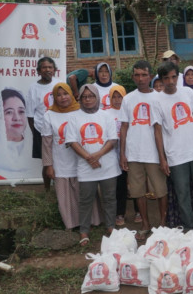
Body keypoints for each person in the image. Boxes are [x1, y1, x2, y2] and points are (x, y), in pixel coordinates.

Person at [154, 62, 193, 230]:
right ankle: (189, 228)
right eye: (166, 78)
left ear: (178, 77)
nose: (171, 81)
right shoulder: (157, 100)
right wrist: (162, 159)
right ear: (161, 80)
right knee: (182, 193)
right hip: (175, 155)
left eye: (173, 77)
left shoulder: (187, 92)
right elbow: (157, 131)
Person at [65, 84, 120, 246]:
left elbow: (112, 140)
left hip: (107, 166)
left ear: (97, 98)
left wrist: (96, 156)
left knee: (110, 198)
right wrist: (89, 158)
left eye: (91, 96)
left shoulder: (107, 116)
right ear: (80, 99)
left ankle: (110, 227)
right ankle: (84, 231)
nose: (88, 100)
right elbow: (72, 142)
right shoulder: (74, 118)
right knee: (85, 199)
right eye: (84, 97)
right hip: (85, 167)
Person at [119, 61, 168, 240]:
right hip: (134, 153)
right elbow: (124, 127)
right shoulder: (128, 99)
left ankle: (163, 223)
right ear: (133, 77)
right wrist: (122, 153)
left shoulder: (159, 97)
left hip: (154, 153)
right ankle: (145, 224)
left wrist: (163, 156)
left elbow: (161, 129)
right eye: (137, 75)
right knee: (138, 191)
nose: (140, 79)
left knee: (161, 190)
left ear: (150, 76)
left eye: (144, 75)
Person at [42, 82, 100, 230]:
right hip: (60, 161)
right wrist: (48, 165)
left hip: (81, 160)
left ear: (71, 95)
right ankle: (72, 224)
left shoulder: (80, 112)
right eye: (59, 95)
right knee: (65, 197)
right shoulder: (49, 115)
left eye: (65, 93)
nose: (63, 98)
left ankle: (92, 221)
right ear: (54, 98)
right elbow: (47, 143)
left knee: (86, 192)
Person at [26, 56, 57, 191]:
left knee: (60, 159)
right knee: (46, 162)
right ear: (38, 71)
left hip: (58, 129)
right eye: (44, 67)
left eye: (50, 67)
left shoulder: (59, 84)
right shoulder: (33, 88)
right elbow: (30, 115)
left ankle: (60, 188)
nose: (47, 70)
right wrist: (35, 133)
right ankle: (47, 190)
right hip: (41, 129)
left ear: (54, 70)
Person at [107, 84, 129, 226]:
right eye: (113, 97)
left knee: (133, 183)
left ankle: (139, 211)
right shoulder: (106, 113)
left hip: (130, 151)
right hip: (113, 154)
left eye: (119, 96)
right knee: (119, 185)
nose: (116, 100)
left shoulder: (129, 111)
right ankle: (119, 213)